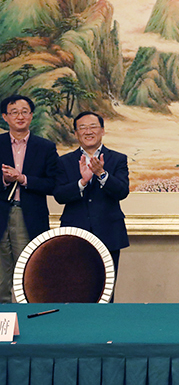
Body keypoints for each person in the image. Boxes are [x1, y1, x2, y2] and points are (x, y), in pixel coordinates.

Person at [54, 111, 130, 278]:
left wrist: (102, 174)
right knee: (74, 284)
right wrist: (82, 182)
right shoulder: (64, 161)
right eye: (82, 128)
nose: (88, 132)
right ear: (76, 133)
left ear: (102, 130)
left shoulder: (117, 159)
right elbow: (59, 195)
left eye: (93, 127)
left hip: (109, 232)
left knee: (106, 286)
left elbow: (122, 191)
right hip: (74, 233)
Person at [0, 95, 58, 303]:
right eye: (14, 112)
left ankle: (30, 317)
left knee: (29, 272)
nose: (20, 116)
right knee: (0, 276)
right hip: (1, 214)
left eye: (25, 112)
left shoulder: (45, 147)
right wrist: (5, 180)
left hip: (29, 216)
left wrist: (23, 179)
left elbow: (53, 184)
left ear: (31, 116)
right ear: (5, 117)